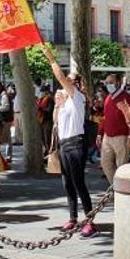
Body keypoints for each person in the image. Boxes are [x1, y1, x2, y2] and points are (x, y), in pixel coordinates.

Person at [40, 44, 97, 237]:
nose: (65, 85)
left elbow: (60, 77)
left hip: (76, 144)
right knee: (67, 183)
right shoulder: (65, 105)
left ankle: (90, 221)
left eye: (71, 82)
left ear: (78, 85)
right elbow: (57, 124)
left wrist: (52, 59)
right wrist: (58, 105)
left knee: (79, 182)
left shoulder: (78, 98)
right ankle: (73, 218)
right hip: (64, 145)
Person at [97, 73, 130, 184]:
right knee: (105, 163)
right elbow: (105, 117)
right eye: (106, 83)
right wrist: (100, 133)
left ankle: (122, 192)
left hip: (121, 136)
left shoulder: (125, 97)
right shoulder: (108, 98)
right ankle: (115, 187)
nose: (107, 85)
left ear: (118, 83)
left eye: (110, 82)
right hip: (107, 136)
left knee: (122, 166)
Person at [0, 84, 15, 162]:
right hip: (3, 119)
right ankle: (5, 156)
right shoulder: (1, 95)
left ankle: (8, 156)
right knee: (3, 138)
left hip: (6, 120)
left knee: (7, 138)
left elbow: (6, 107)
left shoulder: (4, 96)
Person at [36, 84, 54, 156]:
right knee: (43, 139)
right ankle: (46, 152)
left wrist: (41, 108)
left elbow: (49, 110)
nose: (41, 93)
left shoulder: (50, 99)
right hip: (42, 121)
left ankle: (50, 154)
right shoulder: (41, 99)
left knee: (47, 139)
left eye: (42, 91)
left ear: (46, 92)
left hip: (48, 121)